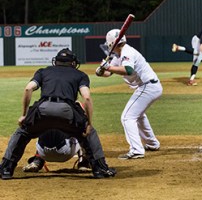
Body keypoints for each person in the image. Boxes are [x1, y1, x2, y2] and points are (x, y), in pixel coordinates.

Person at [0, 48, 116, 179]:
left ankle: (6, 169)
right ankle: (100, 169)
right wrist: (89, 123)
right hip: (66, 111)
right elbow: (87, 98)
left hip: (42, 109)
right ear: (73, 63)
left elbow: (28, 88)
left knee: (22, 132)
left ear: (56, 61)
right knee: (88, 134)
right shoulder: (80, 75)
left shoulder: (43, 71)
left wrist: (24, 114)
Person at [95, 29, 162, 160]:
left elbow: (128, 70)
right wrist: (101, 70)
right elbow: (108, 73)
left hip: (148, 86)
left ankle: (137, 150)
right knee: (138, 115)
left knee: (127, 117)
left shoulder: (127, 52)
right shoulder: (118, 55)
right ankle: (152, 143)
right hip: (149, 86)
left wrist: (107, 67)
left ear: (111, 43)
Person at [23, 129, 90, 172]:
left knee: (40, 132)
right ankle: (83, 163)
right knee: (82, 130)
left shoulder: (40, 111)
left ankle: (37, 161)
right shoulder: (68, 111)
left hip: (43, 153)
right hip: (65, 152)